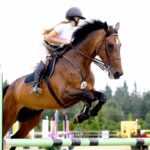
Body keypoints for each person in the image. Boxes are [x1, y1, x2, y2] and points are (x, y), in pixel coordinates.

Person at [30, 7, 86, 95]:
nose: (79, 21)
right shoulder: (62, 27)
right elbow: (48, 38)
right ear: (74, 18)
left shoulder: (72, 31)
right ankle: (35, 85)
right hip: (45, 46)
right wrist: (63, 42)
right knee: (44, 61)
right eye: (79, 18)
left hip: (56, 49)